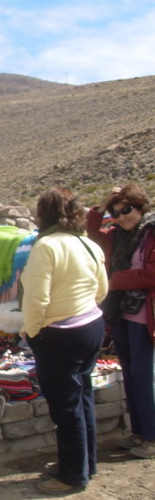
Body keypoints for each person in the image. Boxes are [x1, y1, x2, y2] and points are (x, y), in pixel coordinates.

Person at [20, 188, 108, 494]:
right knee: (82, 397)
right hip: (91, 325)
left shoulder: (46, 246)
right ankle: (86, 463)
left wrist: (31, 331)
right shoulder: (86, 243)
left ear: (43, 213)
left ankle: (72, 476)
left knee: (66, 406)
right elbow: (101, 289)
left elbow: (36, 298)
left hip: (60, 334)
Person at [87, 183, 155, 459]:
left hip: (144, 314)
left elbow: (151, 274)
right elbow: (92, 231)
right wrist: (103, 205)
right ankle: (139, 431)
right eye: (116, 213)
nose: (122, 217)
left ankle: (152, 437)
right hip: (120, 312)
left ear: (139, 207)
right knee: (128, 372)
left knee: (143, 374)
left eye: (126, 210)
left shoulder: (151, 234)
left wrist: (114, 281)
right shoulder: (115, 236)